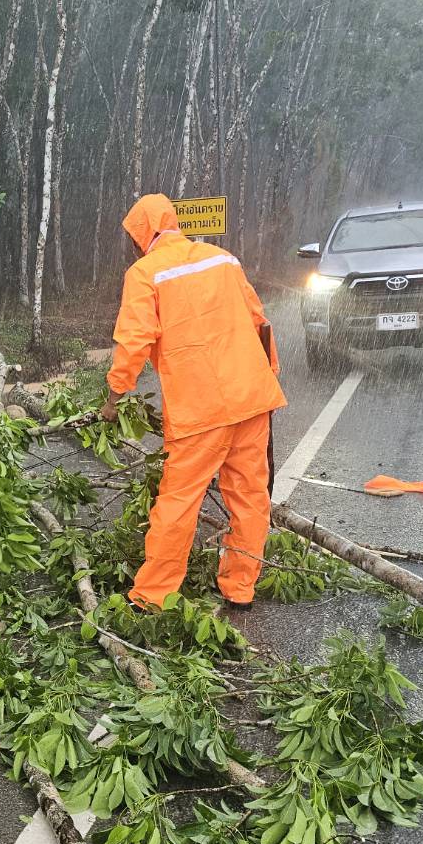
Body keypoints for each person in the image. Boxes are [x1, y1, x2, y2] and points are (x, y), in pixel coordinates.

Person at [99, 194, 285, 612]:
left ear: (141, 234)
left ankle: (153, 595)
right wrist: (268, 377)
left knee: (178, 503)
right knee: (251, 498)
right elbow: (261, 321)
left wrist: (114, 397)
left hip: (202, 411)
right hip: (252, 399)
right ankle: (240, 587)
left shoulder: (146, 273)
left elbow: (134, 341)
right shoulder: (223, 260)